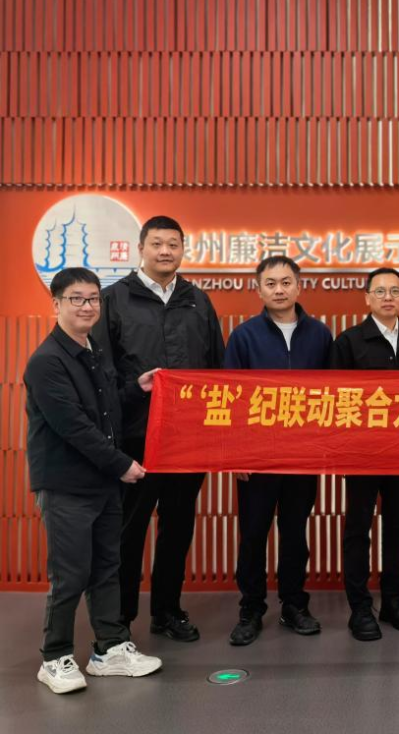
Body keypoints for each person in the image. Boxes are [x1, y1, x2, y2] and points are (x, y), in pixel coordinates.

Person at [25, 267, 163, 694]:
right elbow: (74, 426)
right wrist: (122, 463)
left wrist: (136, 388)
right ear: (56, 304)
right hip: (66, 484)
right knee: (70, 573)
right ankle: (55, 657)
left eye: (93, 299)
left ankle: (110, 648)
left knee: (107, 567)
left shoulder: (94, 350)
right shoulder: (47, 361)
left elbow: (107, 410)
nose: (87, 307)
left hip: (103, 483)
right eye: (77, 299)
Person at [93, 215, 225, 642]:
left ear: (183, 249)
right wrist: (133, 392)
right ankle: (119, 621)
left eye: (173, 244)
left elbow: (217, 369)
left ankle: (167, 611)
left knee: (178, 528)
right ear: (141, 248)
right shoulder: (114, 299)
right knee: (128, 530)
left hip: (188, 439)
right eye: (157, 243)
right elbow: (101, 375)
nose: (165, 251)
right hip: (135, 437)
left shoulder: (197, 300)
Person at [223, 256, 333, 645]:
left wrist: (323, 448)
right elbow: (231, 398)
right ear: (259, 290)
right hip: (257, 456)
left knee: (294, 533)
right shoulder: (243, 336)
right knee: (253, 533)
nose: (279, 290)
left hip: (303, 454)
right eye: (270, 283)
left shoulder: (320, 335)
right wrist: (237, 452)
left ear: (299, 287)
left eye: (286, 282)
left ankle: (294, 605)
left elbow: (333, 396)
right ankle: (251, 609)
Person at [329, 267, 399, 641]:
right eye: (380, 291)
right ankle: (359, 608)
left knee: (398, 527)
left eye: (395, 291)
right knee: (358, 528)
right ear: (367, 298)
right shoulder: (349, 341)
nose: (388, 297)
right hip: (361, 453)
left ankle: (393, 601)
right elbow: (334, 399)